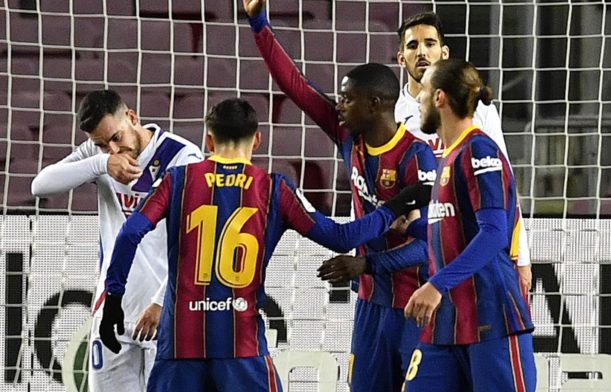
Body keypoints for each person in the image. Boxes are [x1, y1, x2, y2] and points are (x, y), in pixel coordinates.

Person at [98, 98, 430, 392]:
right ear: (258, 140)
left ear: (208, 140)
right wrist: (395, 206)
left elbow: (130, 233)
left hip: (180, 347)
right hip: (241, 346)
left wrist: (114, 298)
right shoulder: (274, 189)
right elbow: (341, 237)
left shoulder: (178, 180)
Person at [242, 1, 438, 390]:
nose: (339, 106)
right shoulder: (349, 134)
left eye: (347, 99)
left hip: (413, 303)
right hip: (370, 302)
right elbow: (295, 86)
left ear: (375, 104)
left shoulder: (417, 157)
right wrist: (259, 23)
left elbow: (430, 245)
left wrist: (366, 265)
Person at [31, 90, 203, 391]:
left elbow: (196, 240)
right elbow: (40, 185)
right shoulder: (99, 157)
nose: (112, 150)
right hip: (113, 310)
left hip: (165, 314)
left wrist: (162, 301)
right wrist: (100, 165)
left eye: (116, 138)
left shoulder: (182, 156)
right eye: (101, 144)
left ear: (132, 118)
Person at [402, 59, 536, 391]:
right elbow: (455, 229)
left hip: (492, 319)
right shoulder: (447, 155)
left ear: (440, 98)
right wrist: (408, 228)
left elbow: (493, 234)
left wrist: (436, 285)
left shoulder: (479, 150)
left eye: (424, 93)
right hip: (447, 323)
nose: (418, 101)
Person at [395, 12, 533, 292]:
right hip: (408, 256)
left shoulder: (479, 111)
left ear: (443, 52)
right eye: (413, 45)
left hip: (470, 245)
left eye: (430, 43)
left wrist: (522, 257)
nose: (422, 52)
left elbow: (505, 186)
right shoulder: (390, 114)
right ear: (401, 58)